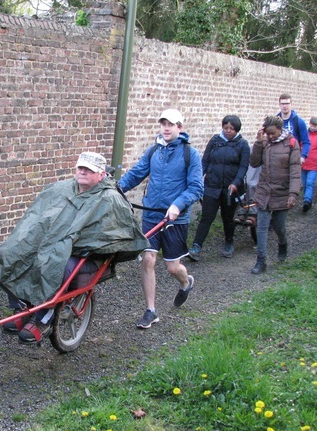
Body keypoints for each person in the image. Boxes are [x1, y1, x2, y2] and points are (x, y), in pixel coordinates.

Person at [0, 152, 149, 343]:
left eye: (88, 170)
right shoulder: (61, 188)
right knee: (13, 252)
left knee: (54, 263)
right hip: (53, 245)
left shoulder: (110, 199)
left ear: (101, 174)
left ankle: (44, 318)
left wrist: (66, 242)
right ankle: (21, 308)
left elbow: (111, 234)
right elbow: (37, 217)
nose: (82, 172)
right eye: (80, 168)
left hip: (86, 257)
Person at [118, 108, 203, 329]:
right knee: (148, 260)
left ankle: (186, 283)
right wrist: (116, 189)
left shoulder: (190, 154)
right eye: (163, 123)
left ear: (179, 128)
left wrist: (178, 204)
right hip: (152, 214)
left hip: (175, 218)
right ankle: (150, 311)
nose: (166, 128)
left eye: (171, 124)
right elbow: (137, 173)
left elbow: (196, 187)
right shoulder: (154, 150)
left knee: (173, 267)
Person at [189, 115, 249, 260]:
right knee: (206, 217)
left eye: (231, 129)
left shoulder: (242, 144)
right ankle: (196, 246)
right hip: (212, 185)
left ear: (237, 129)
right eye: (226, 128)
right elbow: (205, 161)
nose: (228, 131)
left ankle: (229, 242)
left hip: (230, 188)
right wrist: (197, 179)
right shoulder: (215, 141)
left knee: (227, 218)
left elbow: (243, 167)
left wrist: (235, 183)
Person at [249, 116, 301, 274]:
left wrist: (293, 193)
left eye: (272, 133)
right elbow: (254, 163)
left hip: (282, 192)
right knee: (262, 227)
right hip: (264, 191)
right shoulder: (264, 143)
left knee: (279, 226)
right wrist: (258, 142)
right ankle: (261, 261)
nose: (270, 136)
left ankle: (283, 243)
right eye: (267, 133)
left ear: (280, 130)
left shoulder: (291, 144)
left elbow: (295, 170)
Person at [277, 93, 310, 163]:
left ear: (291, 104)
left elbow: (306, 142)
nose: (285, 106)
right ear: (279, 105)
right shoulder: (274, 121)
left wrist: (303, 156)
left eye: (287, 103)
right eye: (282, 104)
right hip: (278, 159)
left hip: (293, 158)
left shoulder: (299, 122)